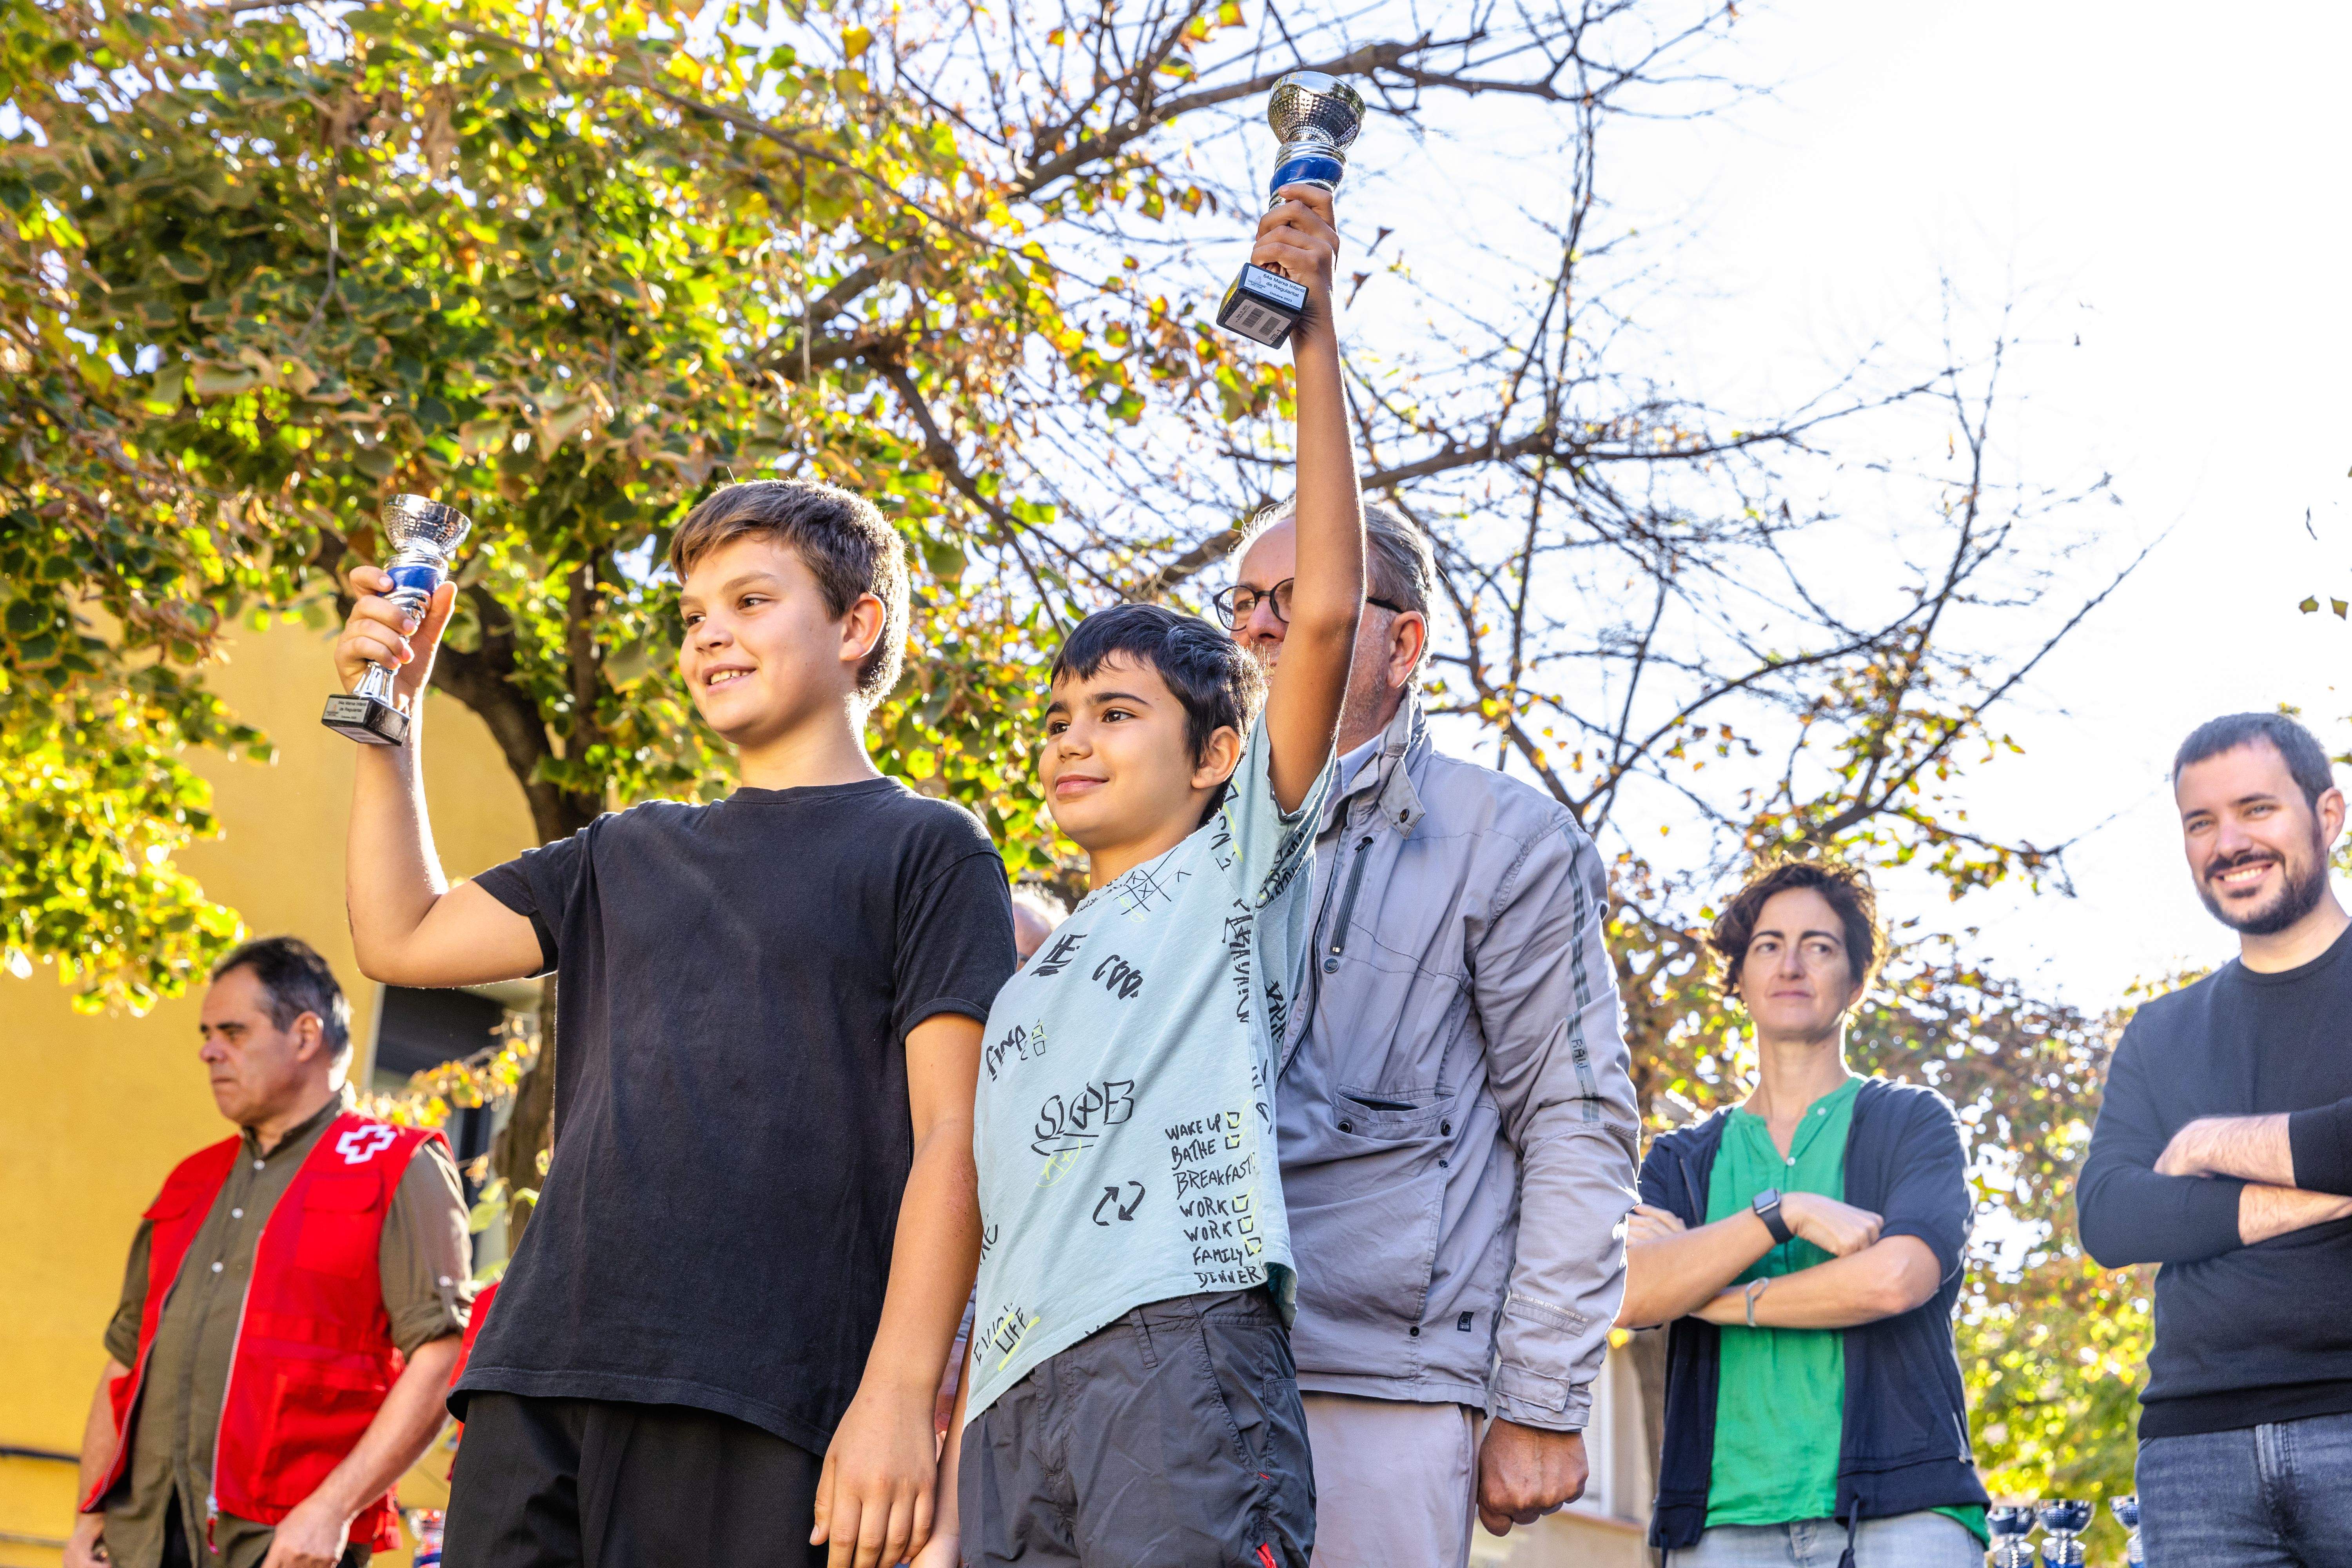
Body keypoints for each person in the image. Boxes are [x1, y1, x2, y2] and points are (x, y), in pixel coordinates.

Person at [332, 479, 1018, 1568]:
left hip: (766, 1395)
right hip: (538, 1379)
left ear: (855, 625)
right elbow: (403, 937)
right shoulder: (624, 850)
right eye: (694, 614)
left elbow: (956, 1137)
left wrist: (897, 1395)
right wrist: (391, 714)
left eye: (750, 602)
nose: (711, 637)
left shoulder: (929, 851)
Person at [934, 180, 1363, 1568]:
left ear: (1215, 755)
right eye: (1059, 719)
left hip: (1179, 1355)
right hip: (1007, 1398)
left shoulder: (1238, 867)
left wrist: (1315, 338)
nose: (1073, 742)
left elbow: (1328, 619)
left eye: (1115, 714)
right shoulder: (1024, 967)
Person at [1222, 500, 1639, 1566]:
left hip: (1381, 1390)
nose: (1264, 627)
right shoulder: (1179, 831)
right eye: (1243, 605)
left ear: (1404, 643)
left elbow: (1576, 1122)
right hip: (1170, 1370)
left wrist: (1542, 1398)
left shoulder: (1513, 843)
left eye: (1302, 598)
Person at [1621, 861, 1987, 1568]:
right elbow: (1632, 1292)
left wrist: (1711, 1296)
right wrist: (1782, 1212)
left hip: (1903, 1512)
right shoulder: (1681, 1160)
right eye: (1768, 945)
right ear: (1738, 979)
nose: (1791, 963)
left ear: (1856, 982)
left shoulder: (1912, 1123)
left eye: (1819, 945)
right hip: (1721, 1524)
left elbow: (1894, 1281)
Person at [66, 937, 470, 1568]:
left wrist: (333, 1509)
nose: (208, 1051)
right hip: (141, 1538)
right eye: (206, 1033)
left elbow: (442, 1356)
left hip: (285, 1546)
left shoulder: (398, 1167)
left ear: (305, 1035)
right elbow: (124, 1360)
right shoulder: (190, 1182)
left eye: (232, 1032)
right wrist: (90, 1515)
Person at [2078, 712, 2352, 1566]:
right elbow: (2113, 1218)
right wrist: (2320, 1179)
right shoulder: (2161, 1031)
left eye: (2256, 809)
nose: (2228, 842)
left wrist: (2205, 1142)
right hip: (2196, 1446)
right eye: (2201, 822)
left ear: (2330, 815)